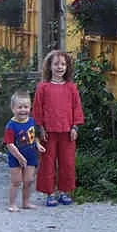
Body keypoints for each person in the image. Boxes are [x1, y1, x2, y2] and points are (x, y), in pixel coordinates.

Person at [31, 49, 84, 207]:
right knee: (47, 163)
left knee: (67, 163)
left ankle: (65, 191)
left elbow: (77, 108)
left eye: (63, 64)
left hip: (67, 132)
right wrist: (40, 128)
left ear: (67, 67)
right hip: (48, 132)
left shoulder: (71, 88)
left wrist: (75, 127)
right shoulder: (43, 87)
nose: (60, 67)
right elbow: (37, 109)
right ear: (49, 66)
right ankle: (49, 193)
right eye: (56, 64)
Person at [3, 90, 45, 212]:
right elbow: (9, 144)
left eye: (26, 107)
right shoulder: (11, 126)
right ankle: (12, 204)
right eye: (19, 107)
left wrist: (37, 144)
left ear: (30, 107)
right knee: (16, 181)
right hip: (16, 157)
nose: (23, 110)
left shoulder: (31, 121)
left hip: (30, 155)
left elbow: (33, 135)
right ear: (13, 108)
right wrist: (19, 157)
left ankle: (26, 202)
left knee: (28, 180)